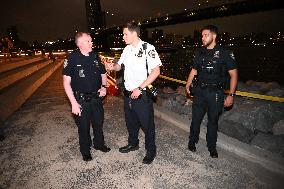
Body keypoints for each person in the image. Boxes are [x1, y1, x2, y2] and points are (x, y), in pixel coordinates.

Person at [105, 21, 162, 164]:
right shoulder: (127, 49)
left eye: (125, 34)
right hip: (128, 93)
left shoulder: (148, 48)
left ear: (134, 33)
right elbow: (119, 67)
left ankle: (151, 150)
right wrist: (112, 66)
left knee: (147, 125)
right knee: (131, 122)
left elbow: (156, 71)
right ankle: (133, 144)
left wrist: (141, 88)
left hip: (141, 94)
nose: (123, 37)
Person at [185, 25, 238, 158]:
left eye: (205, 35)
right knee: (195, 119)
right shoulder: (200, 52)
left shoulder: (224, 53)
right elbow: (194, 69)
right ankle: (192, 141)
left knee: (213, 121)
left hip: (215, 93)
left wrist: (231, 95)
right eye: (202, 36)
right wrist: (188, 83)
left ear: (214, 36)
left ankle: (212, 147)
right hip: (200, 91)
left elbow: (234, 75)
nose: (202, 38)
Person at [63, 32, 110, 162]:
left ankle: (99, 144)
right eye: (88, 41)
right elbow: (66, 83)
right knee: (83, 127)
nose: (91, 43)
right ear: (80, 44)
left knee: (98, 123)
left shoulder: (95, 56)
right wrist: (73, 103)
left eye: (91, 40)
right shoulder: (71, 58)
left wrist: (104, 87)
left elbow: (103, 74)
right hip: (81, 100)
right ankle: (85, 151)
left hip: (96, 98)